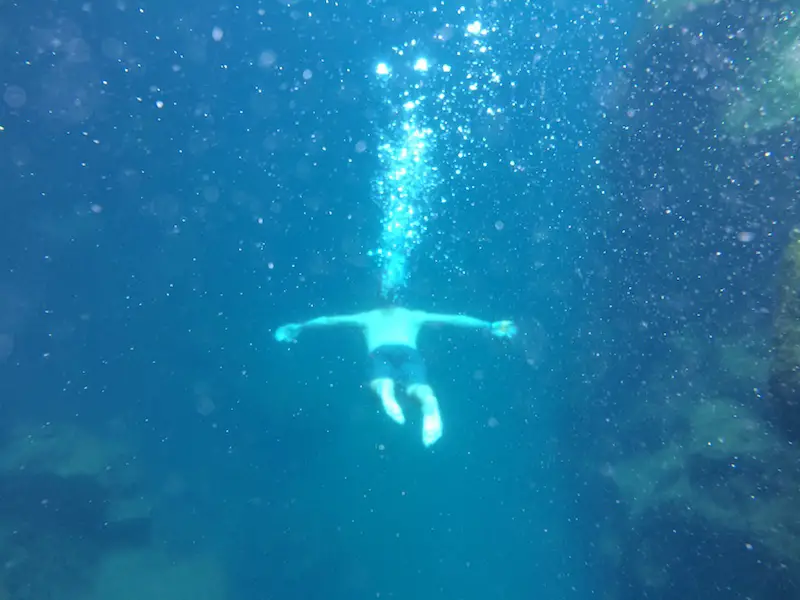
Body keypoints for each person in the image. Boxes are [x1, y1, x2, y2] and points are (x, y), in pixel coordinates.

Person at [274, 306, 517, 447]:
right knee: (418, 388)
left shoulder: (366, 316)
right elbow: (453, 319)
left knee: (382, 382)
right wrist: (489, 324)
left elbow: (330, 320)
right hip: (409, 352)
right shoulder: (414, 314)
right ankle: (430, 405)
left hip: (380, 351)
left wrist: (301, 326)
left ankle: (386, 395)